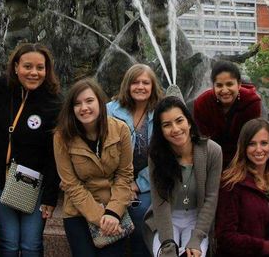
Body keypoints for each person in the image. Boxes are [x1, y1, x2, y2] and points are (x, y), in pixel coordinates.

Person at [0, 43, 62, 257]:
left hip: (34, 185)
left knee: (31, 245)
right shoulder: (1, 90)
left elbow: (54, 154)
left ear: (47, 70)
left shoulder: (53, 102)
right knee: (9, 243)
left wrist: (50, 196)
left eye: (40, 68)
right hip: (0, 181)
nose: (34, 73)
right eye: (27, 66)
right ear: (16, 66)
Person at [54, 78, 134, 256]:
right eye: (77, 104)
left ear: (100, 101)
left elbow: (125, 175)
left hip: (113, 205)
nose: (84, 108)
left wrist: (113, 213)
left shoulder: (121, 129)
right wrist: (100, 218)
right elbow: (70, 184)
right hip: (78, 211)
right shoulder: (62, 136)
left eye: (89, 101)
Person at [144, 96, 222, 257]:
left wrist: (196, 238)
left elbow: (211, 198)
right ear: (160, 130)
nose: (175, 129)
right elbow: (160, 201)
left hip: (196, 219)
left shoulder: (213, 151)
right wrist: (167, 243)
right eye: (167, 125)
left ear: (189, 122)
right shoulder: (156, 155)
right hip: (167, 218)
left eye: (179, 121)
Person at [215, 118, 269, 256]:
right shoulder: (231, 184)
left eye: (264, 143)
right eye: (252, 144)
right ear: (243, 147)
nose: (259, 149)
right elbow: (225, 237)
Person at [107, 64, 164, 257]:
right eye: (135, 82)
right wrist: (122, 184)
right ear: (127, 85)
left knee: (142, 216)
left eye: (145, 83)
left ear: (152, 86)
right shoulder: (110, 110)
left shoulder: (161, 113)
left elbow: (164, 156)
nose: (140, 87)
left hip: (148, 181)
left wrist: (138, 184)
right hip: (114, 180)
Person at [193, 60, 262, 167]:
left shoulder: (252, 102)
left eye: (229, 84)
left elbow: (251, 139)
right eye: (219, 85)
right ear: (213, 86)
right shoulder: (202, 104)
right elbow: (202, 141)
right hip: (211, 160)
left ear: (239, 84)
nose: (225, 90)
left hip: (244, 161)